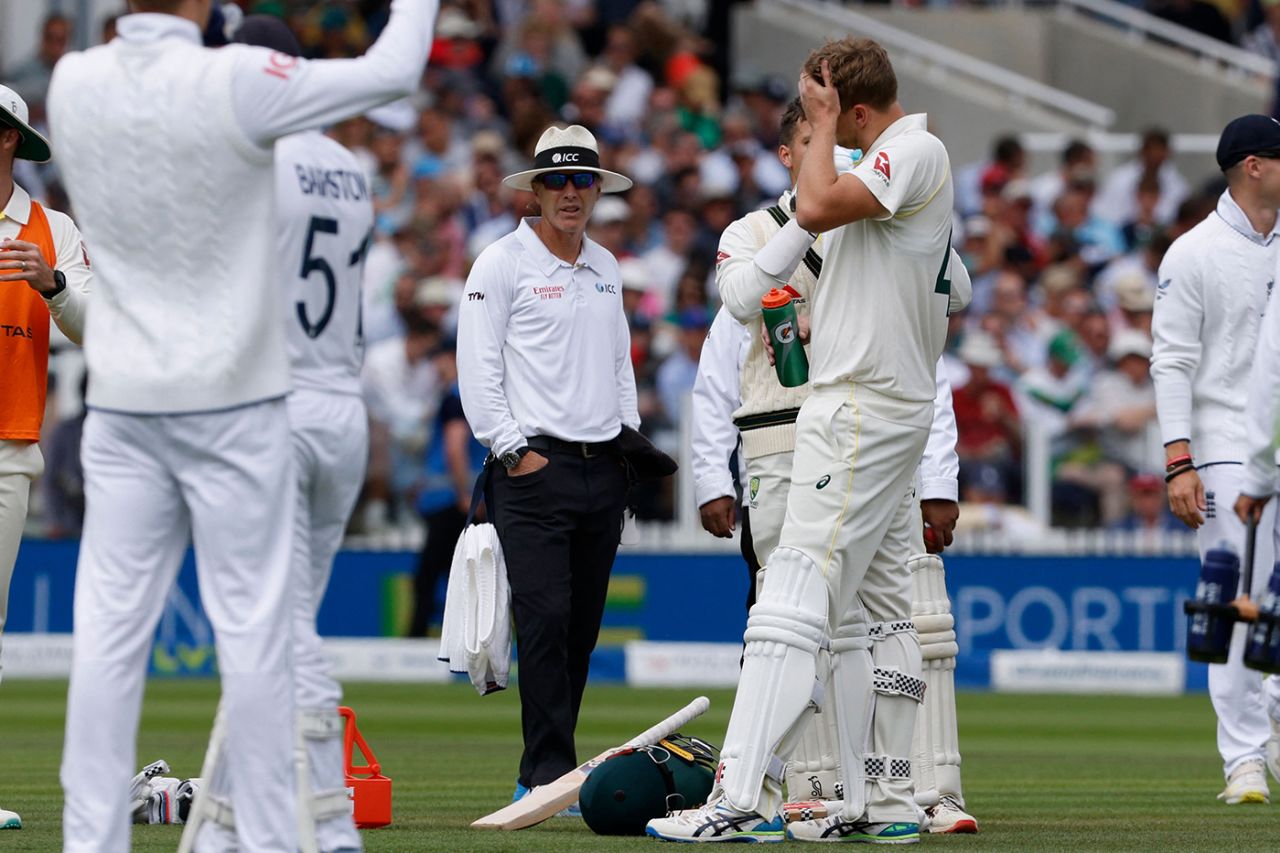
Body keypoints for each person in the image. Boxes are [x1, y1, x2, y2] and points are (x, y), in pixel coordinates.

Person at [45, 1, 440, 850]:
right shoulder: (249, 96)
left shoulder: (72, 81)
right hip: (244, 398)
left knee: (107, 646)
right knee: (262, 641)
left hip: (125, 398)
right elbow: (396, 69)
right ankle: (274, 838)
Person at [649, 36, 961, 843]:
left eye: (820, 114)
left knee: (788, 601)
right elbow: (949, 282)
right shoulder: (875, 184)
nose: (811, 133)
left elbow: (823, 209)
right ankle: (876, 800)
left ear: (849, 113)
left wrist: (825, 148)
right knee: (865, 616)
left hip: (855, 407)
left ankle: (737, 799)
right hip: (859, 413)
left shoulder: (907, 153)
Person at [190, 16, 376, 853]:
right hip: (342, 408)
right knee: (274, 624)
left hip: (273, 406)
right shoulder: (351, 170)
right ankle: (225, 826)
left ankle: (331, 826)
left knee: (283, 630)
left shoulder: (245, 154)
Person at [458, 124, 639, 801]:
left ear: (596, 190)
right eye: (557, 181)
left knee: (580, 628)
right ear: (534, 190)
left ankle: (549, 765)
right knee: (543, 618)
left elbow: (620, 364)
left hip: (600, 466)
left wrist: (629, 446)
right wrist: (512, 451)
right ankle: (544, 773)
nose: (570, 192)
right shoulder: (501, 262)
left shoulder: (607, 266)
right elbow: (476, 367)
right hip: (533, 467)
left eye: (582, 180)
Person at [1151, 114, 1280, 807]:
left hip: (1278, 441)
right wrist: (1180, 459)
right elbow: (1171, 359)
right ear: (1254, 166)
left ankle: (1276, 712)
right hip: (1225, 442)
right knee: (1237, 591)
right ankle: (1245, 757)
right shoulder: (1193, 252)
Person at [0, 83, 92, 833]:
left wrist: (53, 282)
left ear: (7, 141)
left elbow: (100, 325)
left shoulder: (48, 226)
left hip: (6, 446)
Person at [409, 337, 487, 637]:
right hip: (462, 496)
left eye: (437, 359)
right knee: (470, 575)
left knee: (430, 575)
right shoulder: (472, 393)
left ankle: (417, 638)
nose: (433, 367)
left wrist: (463, 494)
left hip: (453, 500)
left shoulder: (456, 396)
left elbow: (454, 447)